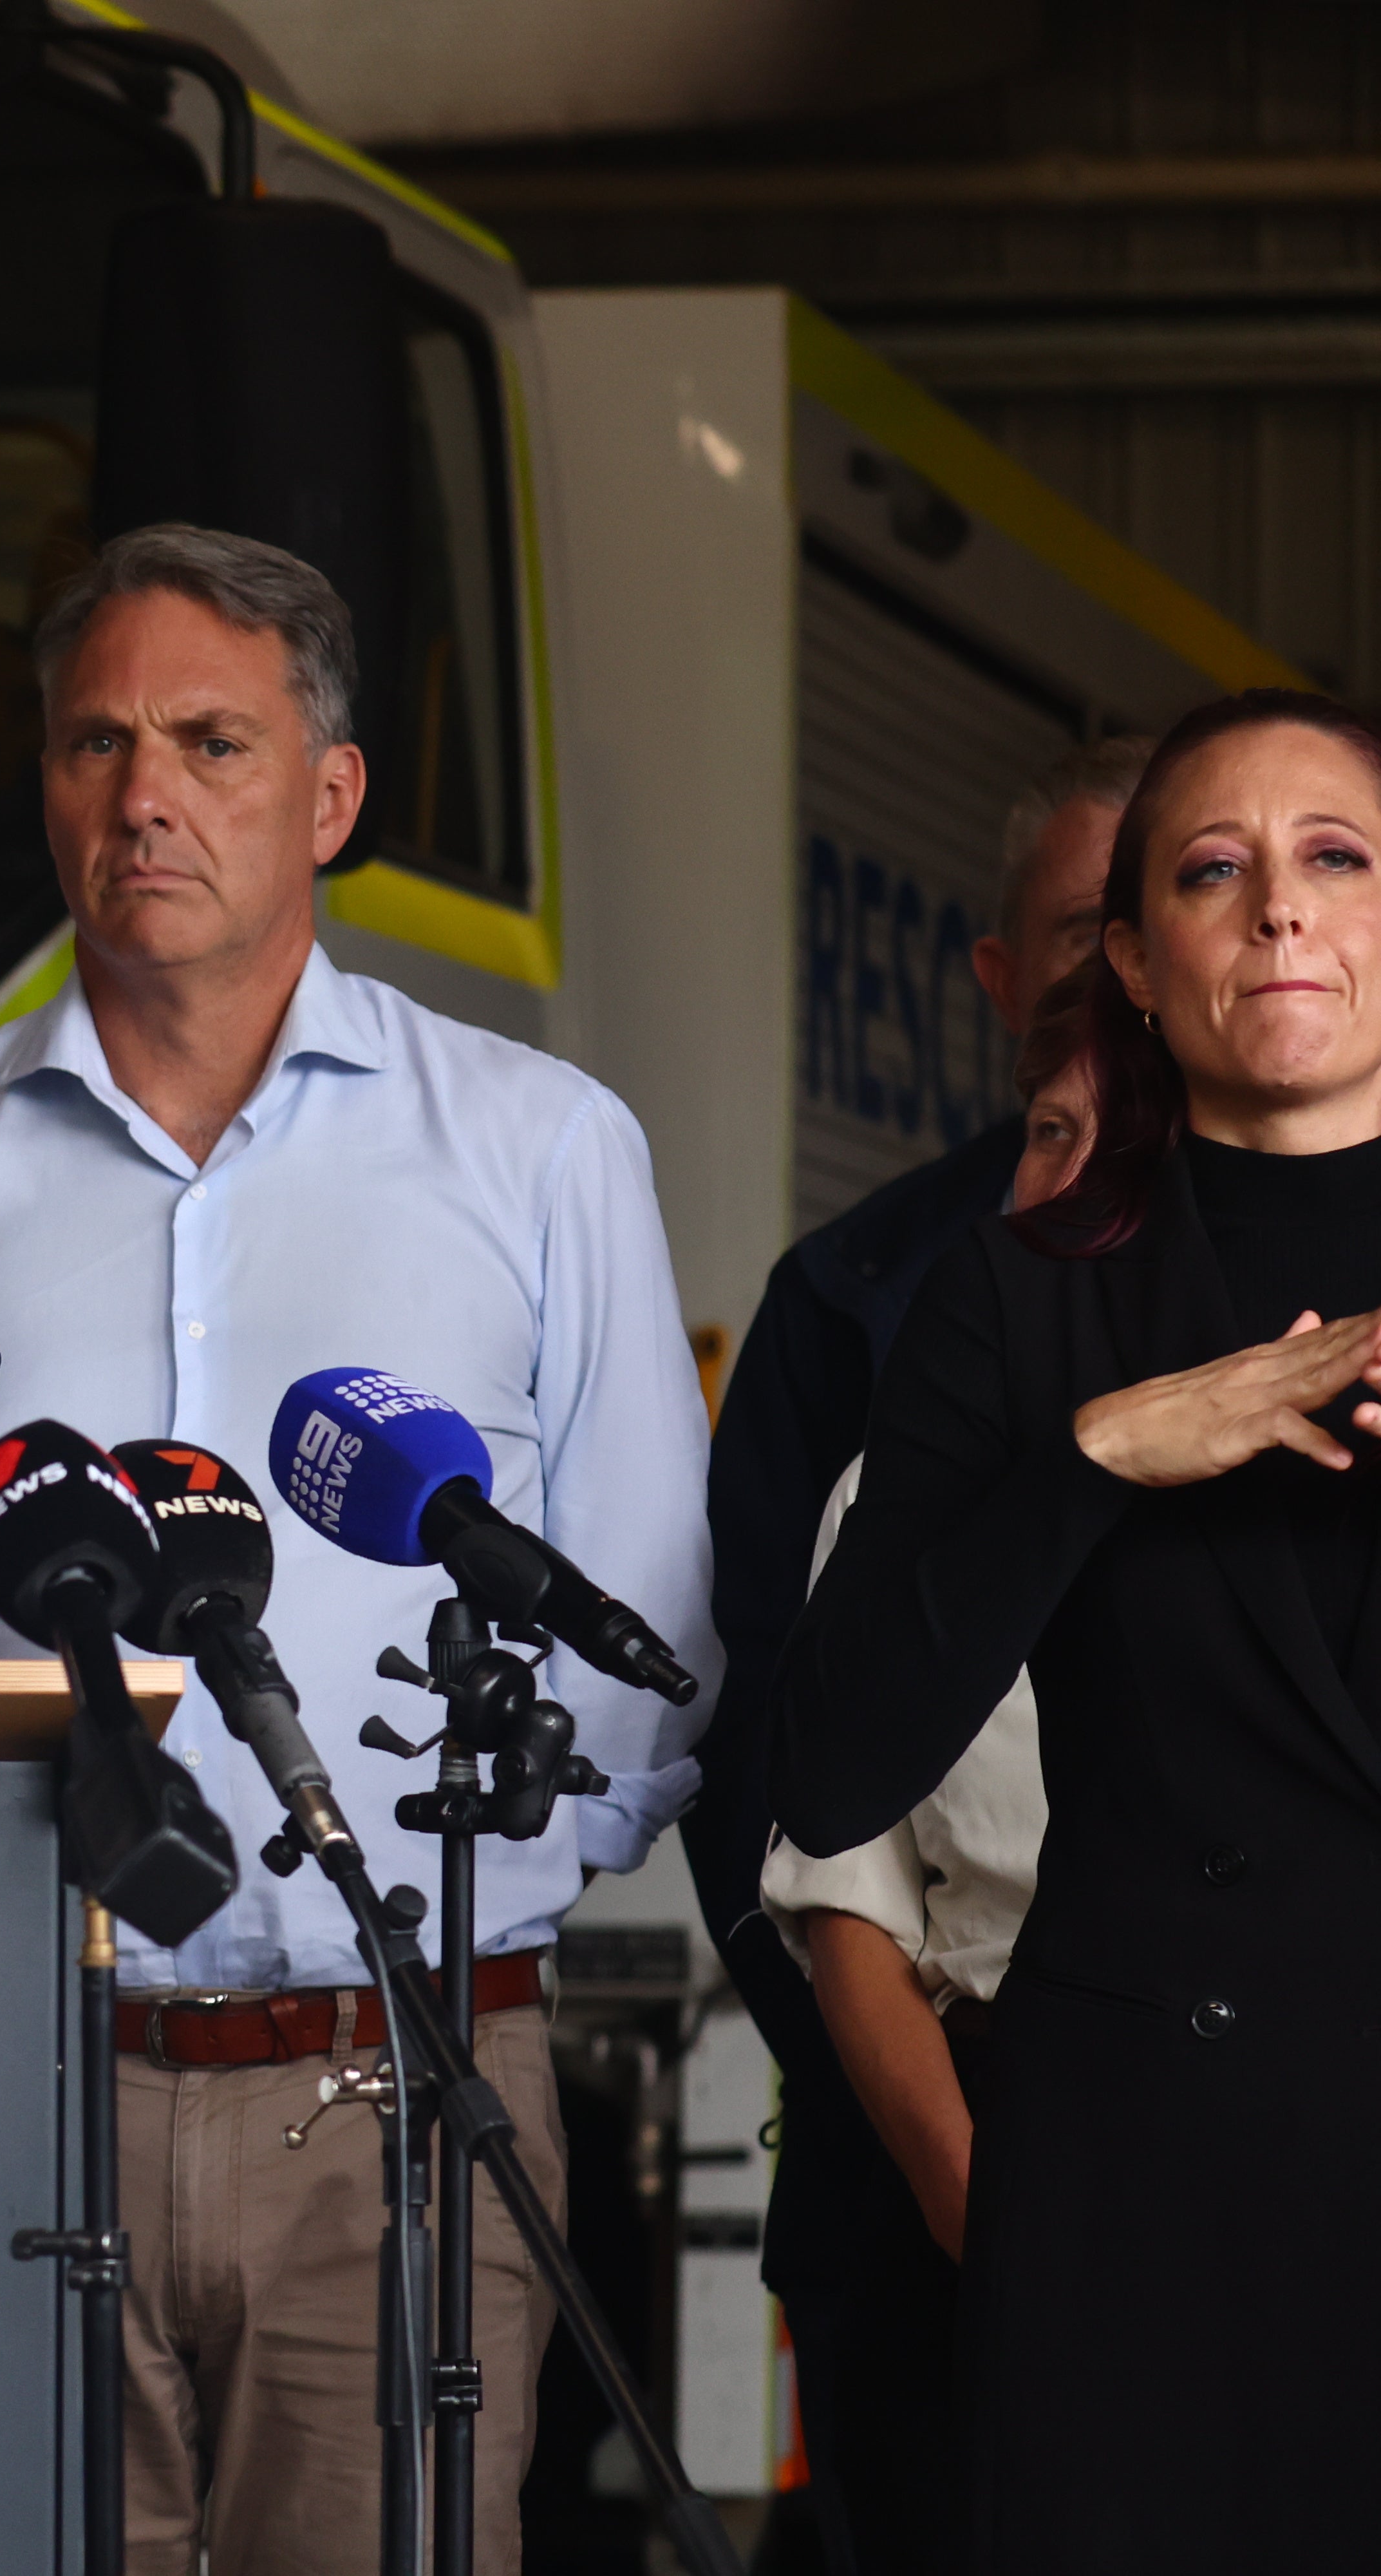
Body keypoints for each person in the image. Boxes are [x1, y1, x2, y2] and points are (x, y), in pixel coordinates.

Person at [0, 523, 717, 2576]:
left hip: (397, 2098)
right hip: (10, 2083)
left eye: (209, 741)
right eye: (95, 745)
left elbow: (643, 1649)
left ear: (332, 795)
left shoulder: (538, 1150)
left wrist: (420, 1947)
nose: (144, 797)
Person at [780, 688, 1381, 2571]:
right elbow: (836, 1760)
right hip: (1141, 2188)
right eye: (1214, 870)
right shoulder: (1017, 1303)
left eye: (1335, 858)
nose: (1278, 910)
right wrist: (1102, 1457)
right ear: (1132, 954)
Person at [690, 731, 1141, 2570]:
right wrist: (950, 2175)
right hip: (931, 2155)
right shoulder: (860, 1321)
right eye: (1043, 1127)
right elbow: (795, 1812)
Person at [751, 969, 1093, 2574]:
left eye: (1116, 1137)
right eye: (1043, 1129)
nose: (1063, 1174)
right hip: (983, 2133)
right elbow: (844, 1892)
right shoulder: (897, 1485)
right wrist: (973, 2195)